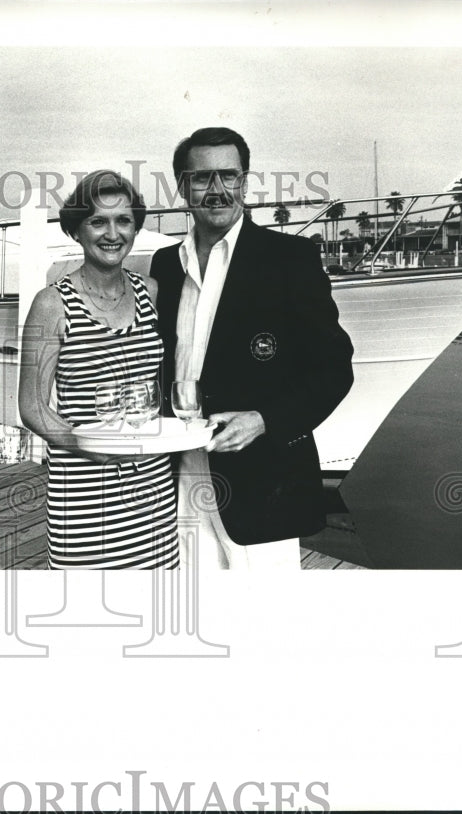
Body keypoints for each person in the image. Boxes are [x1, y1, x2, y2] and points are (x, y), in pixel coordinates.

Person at [150, 127, 354, 570]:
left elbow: (334, 369)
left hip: (262, 482)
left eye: (229, 175)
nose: (217, 189)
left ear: (244, 181)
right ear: (182, 186)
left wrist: (263, 421)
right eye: (202, 178)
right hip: (178, 478)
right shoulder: (166, 264)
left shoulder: (289, 258)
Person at [19, 170, 179, 569]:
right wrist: (86, 446)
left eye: (123, 220)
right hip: (85, 491)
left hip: (153, 486)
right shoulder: (52, 304)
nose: (112, 233)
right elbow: (32, 406)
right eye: (97, 221)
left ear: (135, 227)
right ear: (76, 230)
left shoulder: (150, 292)